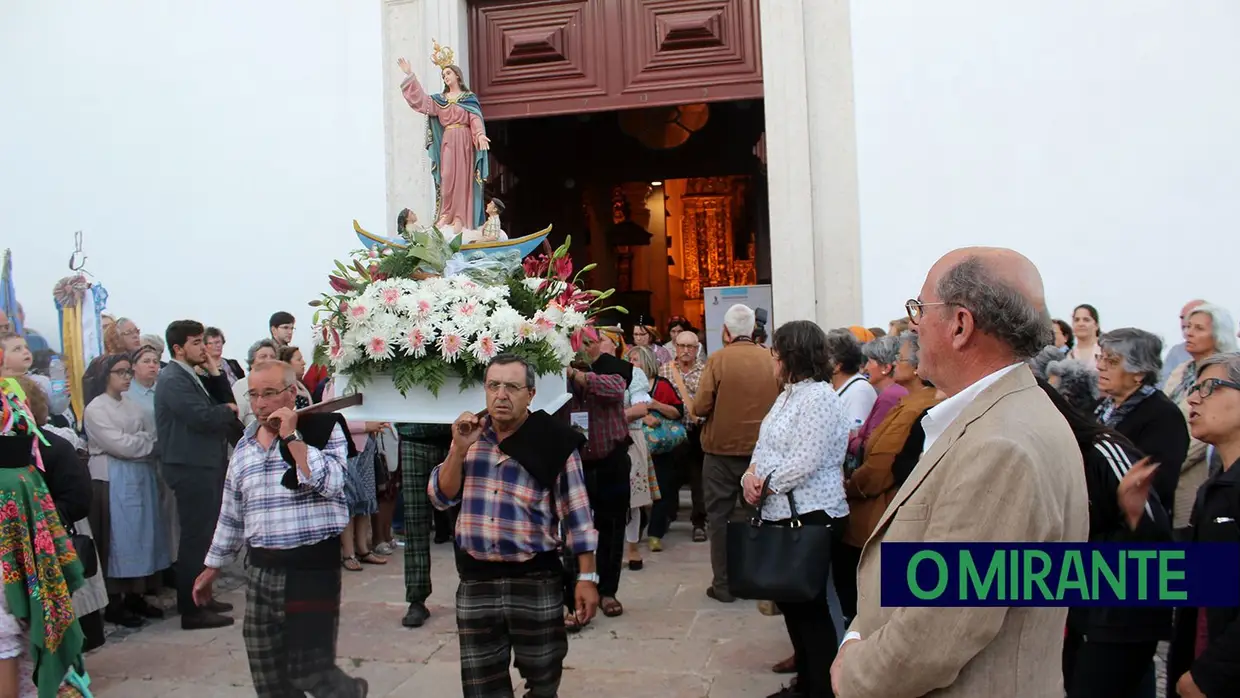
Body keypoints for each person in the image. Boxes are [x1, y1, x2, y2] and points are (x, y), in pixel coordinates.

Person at [831, 247, 1089, 698]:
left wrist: (854, 671)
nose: (913, 324)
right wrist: (858, 633)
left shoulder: (1000, 446)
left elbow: (935, 632)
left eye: (919, 309)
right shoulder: (1000, 415)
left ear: (960, 325)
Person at [194, 360, 367, 698]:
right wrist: (211, 567)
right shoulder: (244, 447)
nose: (260, 404)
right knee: (267, 671)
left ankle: (351, 693)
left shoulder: (323, 429)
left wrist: (291, 437)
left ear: (291, 393)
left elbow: (333, 483)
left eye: (270, 394)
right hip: (260, 571)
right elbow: (231, 513)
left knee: (309, 672)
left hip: (310, 570)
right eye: (254, 395)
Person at [429, 354, 599, 698]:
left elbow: (578, 516)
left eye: (512, 386)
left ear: (531, 394)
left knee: (544, 677)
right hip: (477, 581)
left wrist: (587, 578)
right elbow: (441, 497)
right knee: (481, 686)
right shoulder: (468, 436)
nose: (501, 395)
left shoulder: (554, 440)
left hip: (535, 579)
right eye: (493, 385)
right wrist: (458, 451)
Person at [1038, 379, 1172, 697]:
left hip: (1121, 613)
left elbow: (1155, 538)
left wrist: (1133, 515)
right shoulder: (1046, 459)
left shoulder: (1102, 451)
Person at [739, 320, 850, 698]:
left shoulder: (819, 397)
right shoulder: (787, 394)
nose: (773, 360)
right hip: (779, 511)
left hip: (813, 513)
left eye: (777, 353)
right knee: (791, 606)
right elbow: (764, 446)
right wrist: (749, 477)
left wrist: (765, 482)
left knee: (811, 609)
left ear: (793, 356)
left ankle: (820, 688)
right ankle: (805, 682)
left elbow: (805, 460)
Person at [154, 320, 241, 630]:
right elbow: (202, 416)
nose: (204, 348)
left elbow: (222, 397)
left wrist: (216, 370)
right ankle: (192, 609)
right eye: (196, 343)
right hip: (189, 465)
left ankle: (203, 595)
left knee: (206, 536)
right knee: (195, 538)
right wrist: (227, 411)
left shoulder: (192, 373)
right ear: (178, 348)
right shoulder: (172, 379)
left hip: (204, 463)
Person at [695, 304, 780, 603]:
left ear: (727, 332)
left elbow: (700, 406)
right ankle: (756, 581)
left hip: (720, 452)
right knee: (758, 516)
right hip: (761, 455)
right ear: (754, 331)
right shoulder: (770, 358)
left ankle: (723, 585)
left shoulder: (718, 360)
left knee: (718, 519)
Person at [1167, 352, 1240, 698]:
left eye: (1210, 387)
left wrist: (1209, 675)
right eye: (1193, 388)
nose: (1193, 398)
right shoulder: (1218, 485)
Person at [565, 330, 631, 621]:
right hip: (573, 463)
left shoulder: (612, 367)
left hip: (610, 460)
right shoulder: (555, 374)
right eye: (580, 343)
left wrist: (580, 376)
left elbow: (616, 389)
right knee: (570, 531)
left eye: (590, 343)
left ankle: (608, 591)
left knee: (612, 527)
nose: (586, 348)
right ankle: (572, 593)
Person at [1095, 328, 1189, 525]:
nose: (1100, 366)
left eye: (1111, 361)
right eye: (1100, 358)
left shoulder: (1163, 416)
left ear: (1138, 373)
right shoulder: (1100, 407)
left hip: (1134, 528)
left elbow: (1155, 483)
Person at [397, 52, 491, 232]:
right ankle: (446, 215)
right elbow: (422, 102)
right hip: (448, 141)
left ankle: (460, 217)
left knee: (463, 179)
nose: (446, 77)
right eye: (443, 75)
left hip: (464, 142)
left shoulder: (468, 98)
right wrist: (410, 76)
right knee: (447, 177)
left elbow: (474, 118)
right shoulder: (440, 101)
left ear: (457, 75)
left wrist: (479, 135)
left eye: (448, 73)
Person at [232, 339, 279, 428]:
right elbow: (235, 422)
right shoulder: (241, 386)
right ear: (252, 363)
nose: (268, 360)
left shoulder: (280, 385)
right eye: (263, 356)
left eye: (272, 357)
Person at [1160, 299, 1205, 386]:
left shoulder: (1229, 358)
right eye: (1182, 317)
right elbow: (1162, 385)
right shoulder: (1176, 351)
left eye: (1190, 317)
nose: (1184, 323)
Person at [1068, 304, 1103, 370]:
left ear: (1096, 325)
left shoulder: (1106, 351)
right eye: (1076, 320)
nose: (1080, 324)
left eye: (1086, 320)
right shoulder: (1068, 356)